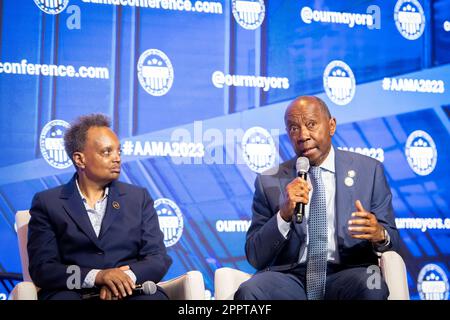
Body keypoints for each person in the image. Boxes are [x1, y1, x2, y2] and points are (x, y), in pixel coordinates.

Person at [234, 96, 400, 300]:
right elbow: (255, 256)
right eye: (294, 128)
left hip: (350, 271)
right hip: (290, 277)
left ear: (331, 126)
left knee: (373, 287)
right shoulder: (269, 180)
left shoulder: (369, 171)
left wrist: (379, 234)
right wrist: (284, 214)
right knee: (250, 291)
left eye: (311, 124)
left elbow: (394, 242)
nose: (303, 135)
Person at [28, 114, 172, 300]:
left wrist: (121, 280)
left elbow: (158, 258)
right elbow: (43, 268)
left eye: (118, 152)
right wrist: (98, 277)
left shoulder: (138, 198)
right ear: (80, 159)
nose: (117, 159)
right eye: (106, 152)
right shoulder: (48, 202)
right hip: (75, 293)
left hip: (130, 293)